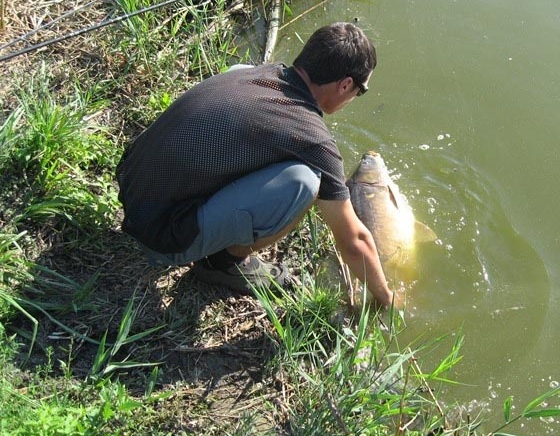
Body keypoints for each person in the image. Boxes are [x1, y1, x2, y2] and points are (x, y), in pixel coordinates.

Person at [115, 22, 399, 307]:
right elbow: (353, 242)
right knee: (305, 182)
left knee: (236, 71)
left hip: (130, 183)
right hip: (161, 237)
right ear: (345, 84)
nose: (354, 97)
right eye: (360, 91)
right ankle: (222, 264)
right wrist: (387, 298)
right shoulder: (314, 140)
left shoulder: (261, 73)